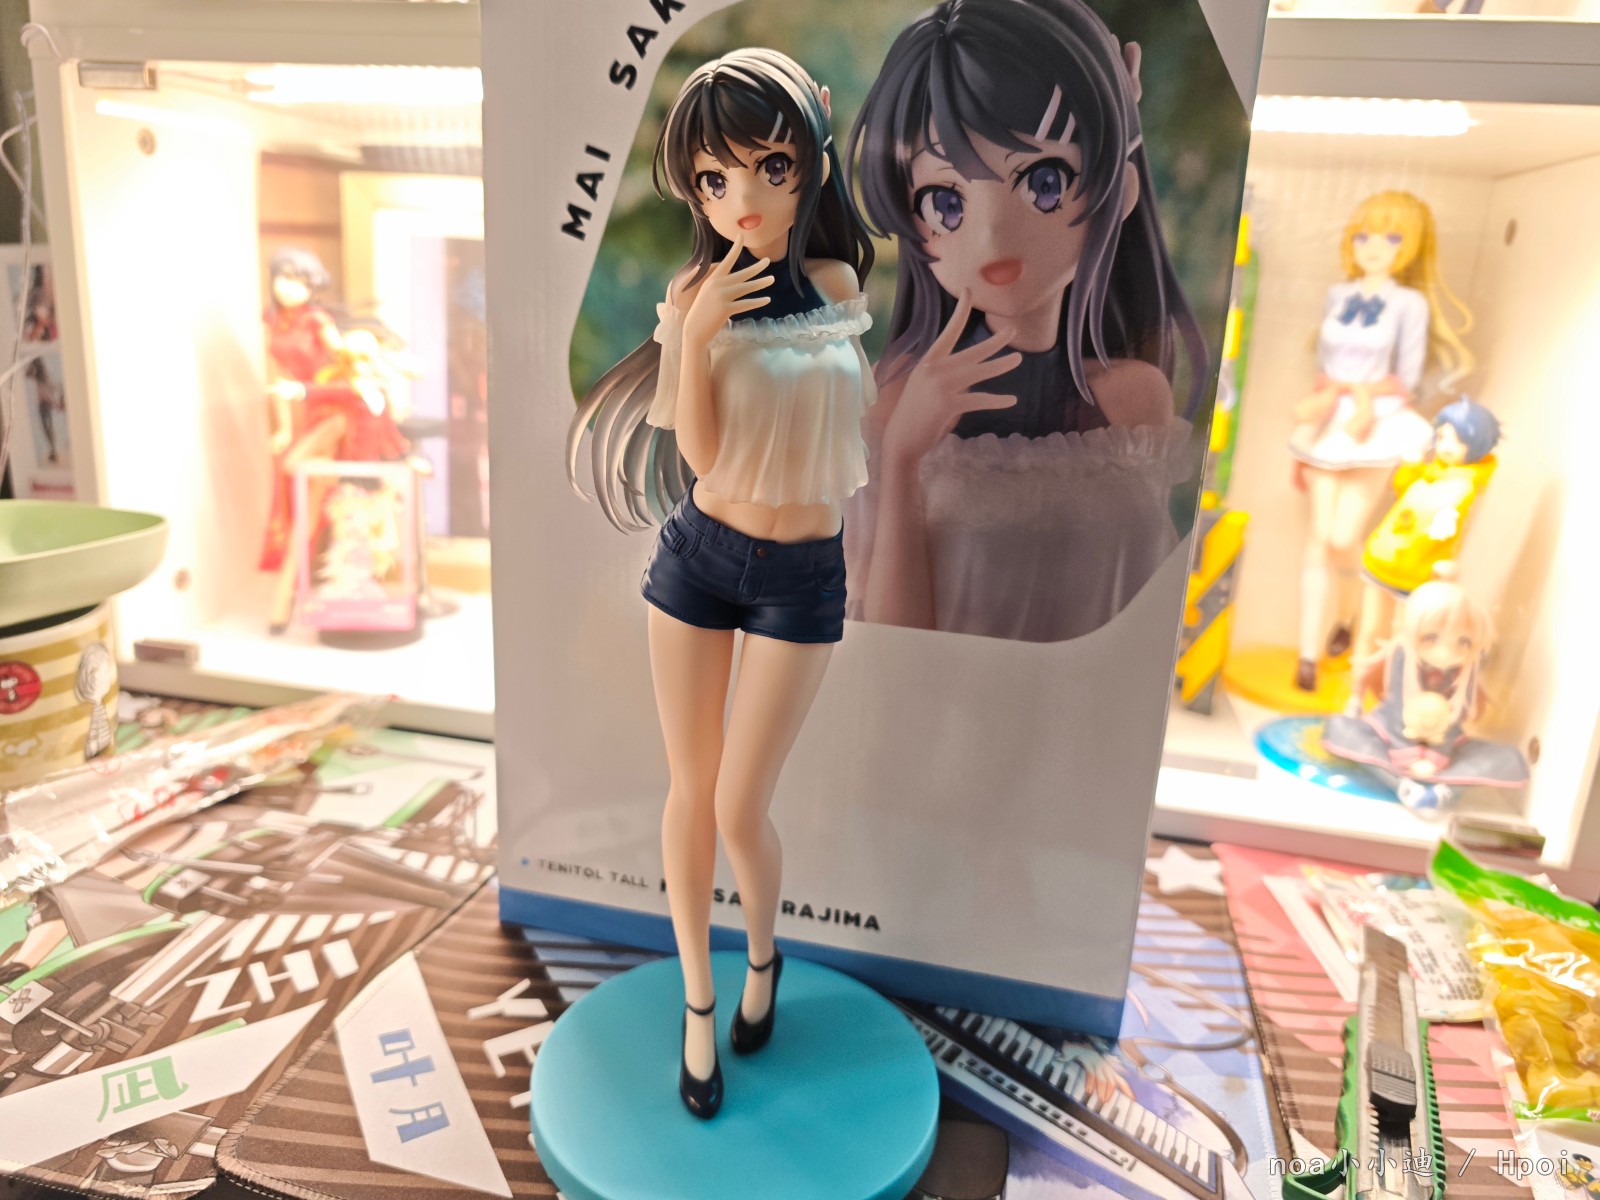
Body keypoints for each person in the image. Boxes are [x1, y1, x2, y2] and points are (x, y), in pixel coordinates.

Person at [566, 48, 875, 1119]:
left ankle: (764, 957)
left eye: (770, 166)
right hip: (700, 557)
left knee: (745, 803)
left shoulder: (838, 288)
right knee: (690, 790)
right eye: (714, 178)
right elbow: (699, 455)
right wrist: (695, 335)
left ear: (809, 163)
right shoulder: (693, 293)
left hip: (802, 574)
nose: (742, 197)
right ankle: (698, 1003)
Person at [844, 0, 1206, 643]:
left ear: (1118, 192)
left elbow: (1144, 607)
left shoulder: (1131, 399)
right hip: (936, 702)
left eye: (1044, 183)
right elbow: (887, 637)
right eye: (946, 203)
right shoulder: (897, 396)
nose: (992, 238)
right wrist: (900, 456)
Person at [1287, 190, 1474, 690]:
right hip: (1329, 418)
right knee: (1319, 537)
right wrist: (1325, 402)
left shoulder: (1410, 303)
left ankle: (1347, 618)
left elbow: (1406, 377)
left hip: (1377, 422)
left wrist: (1364, 396)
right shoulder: (1338, 294)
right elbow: (1323, 365)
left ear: (1409, 246)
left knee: (1343, 537)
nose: (1374, 246)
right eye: (1365, 235)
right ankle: (1307, 656)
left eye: (1391, 237)